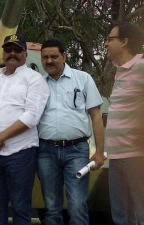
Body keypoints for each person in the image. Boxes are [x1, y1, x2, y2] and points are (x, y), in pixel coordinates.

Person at [0, 34, 49, 225]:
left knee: (21, 208)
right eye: (9, 49)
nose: (13, 53)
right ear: (3, 53)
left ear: (25, 53)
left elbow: (31, 116)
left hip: (20, 154)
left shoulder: (34, 79)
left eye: (17, 49)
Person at [37, 39, 105, 225]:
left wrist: (99, 152)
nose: (49, 61)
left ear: (64, 56)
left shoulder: (83, 79)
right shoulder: (38, 84)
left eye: (54, 56)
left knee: (77, 205)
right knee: (51, 208)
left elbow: (96, 116)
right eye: (45, 57)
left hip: (77, 151)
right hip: (45, 152)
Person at [105, 22, 144, 225]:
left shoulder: (141, 66)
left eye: (110, 39)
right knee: (121, 217)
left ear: (125, 41)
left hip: (137, 157)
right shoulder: (121, 70)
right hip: (117, 155)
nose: (106, 43)